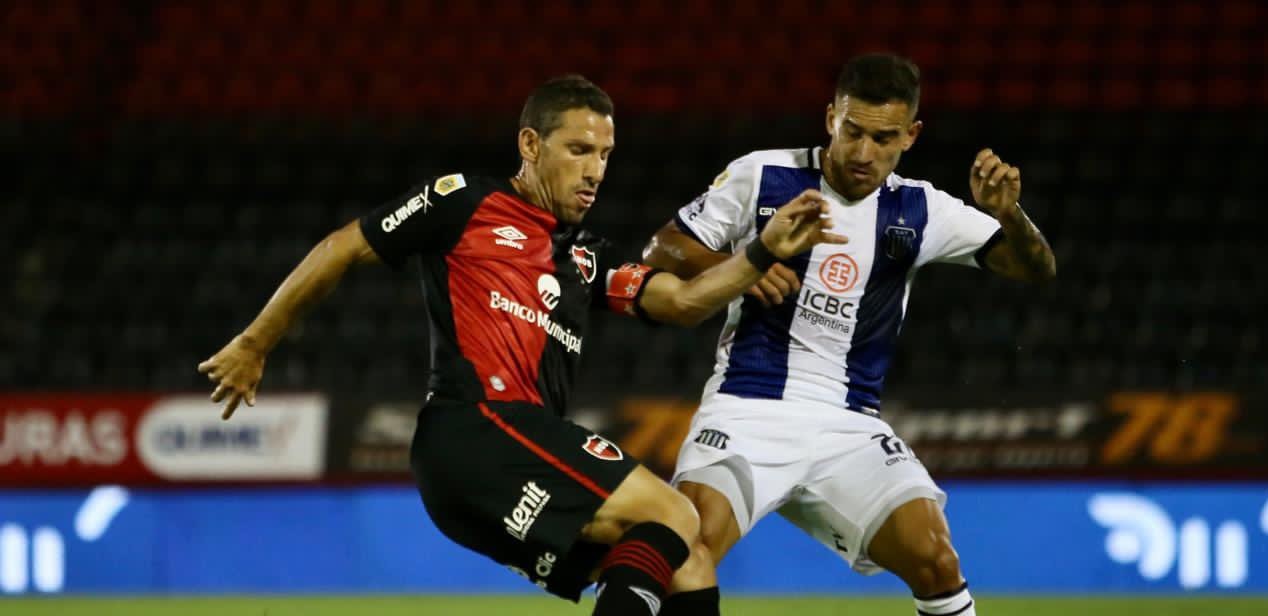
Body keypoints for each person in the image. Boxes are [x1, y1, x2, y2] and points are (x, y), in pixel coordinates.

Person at [197, 74, 844, 616]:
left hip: (493, 467)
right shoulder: (466, 203)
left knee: (688, 561)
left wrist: (759, 252)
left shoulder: (586, 258)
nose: (596, 171)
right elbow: (344, 246)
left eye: (606, 155)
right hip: (478, 429)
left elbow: (680, 301)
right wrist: (256, 343)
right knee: (675, 513)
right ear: (530, 145)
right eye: (578, 150)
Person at [642, 54, 1057, 616]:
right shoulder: (764, 175)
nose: (864, 153)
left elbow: (1034, 268)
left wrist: (1010, 216)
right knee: (683, 553)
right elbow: (662, 249)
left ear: (910, 135)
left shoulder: (920, 208)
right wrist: (744, 261)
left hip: (848, 425)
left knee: (936, 559)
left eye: (883, 138)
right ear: (830, 116)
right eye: (853, 131)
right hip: (747, 407)